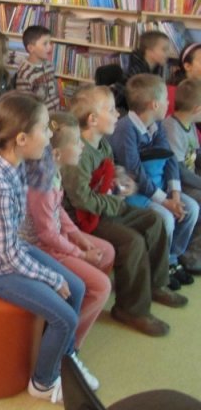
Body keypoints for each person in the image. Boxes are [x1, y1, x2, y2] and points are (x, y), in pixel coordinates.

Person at [0, 92, 86, 403]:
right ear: (22, 139)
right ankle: (43, 382)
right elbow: (9, 256)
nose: (50, 136)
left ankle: (64, 359)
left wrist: (52, 157)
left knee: (77, 288)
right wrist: (51, 278)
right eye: (44, 129)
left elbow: (44, 189)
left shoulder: (13, 160)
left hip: (7, 249)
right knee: (65, 317)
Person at [62, 85, 187, 337]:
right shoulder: (79, 153)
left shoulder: (102, 144)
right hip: (84, 218)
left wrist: (121, 178)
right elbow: (81, 200)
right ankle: (130, 309)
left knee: (154, 220)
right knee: (132, 241)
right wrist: (116, 202)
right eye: (111, 110)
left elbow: (111, 169)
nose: (118, 114)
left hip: (106, 206)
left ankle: (156, 284)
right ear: (92, 119)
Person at [20, 112, 113, 363]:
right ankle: (67, 345)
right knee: (102, 287)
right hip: (40, 248)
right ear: (57, 154)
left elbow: (58, 209)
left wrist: (77, 236)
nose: (82, 146)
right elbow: (46, 234)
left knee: (107, 252)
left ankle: (77, 314)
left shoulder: (53, 171)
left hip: (54, 236)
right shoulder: (42, 182)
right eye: (77, 142)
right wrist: (81, 254)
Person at [109, 74, 198, 290]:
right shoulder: (125, 129)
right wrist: (165, 201)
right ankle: (159, 266)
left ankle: (172, 258)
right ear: (154, 104)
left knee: (192, 208)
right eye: (166, 99)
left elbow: (169, 159)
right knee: (166, 219)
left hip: (157, 186)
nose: (169, 103)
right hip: (134, 192)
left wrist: (175, 194)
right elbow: (135, 172)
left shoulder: (156, 124)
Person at [163, 78, 201, 274]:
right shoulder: (172, 128)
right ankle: (189, 255)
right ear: (197, 109)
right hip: (177, 184)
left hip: (190, 181)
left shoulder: (190, 125)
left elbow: (196, 155)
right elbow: (179, 171)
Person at [15, 25, 60, 112]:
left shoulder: (49, 65)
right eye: (45, 44)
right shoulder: (25, 73)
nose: (50, 47)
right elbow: (25, 104)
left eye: (50, 43)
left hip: (55, 113)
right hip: (40, 116)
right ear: (31, 48)